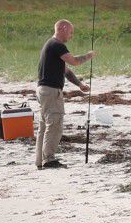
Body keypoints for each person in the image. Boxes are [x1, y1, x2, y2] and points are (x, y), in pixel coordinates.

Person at [35, 19, 92, 169]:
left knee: (44, 126)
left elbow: (66, 71)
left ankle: (40, 161)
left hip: (44, 91)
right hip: (51, 91)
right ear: (63, 28)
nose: (71, 36)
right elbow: (74, 61)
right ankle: (49, 160)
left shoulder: (51, 45)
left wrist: (79, 84)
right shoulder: (57, 45)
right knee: (55, 125)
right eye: (70, 32)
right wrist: (88, 56)